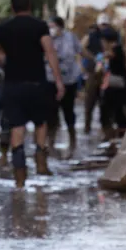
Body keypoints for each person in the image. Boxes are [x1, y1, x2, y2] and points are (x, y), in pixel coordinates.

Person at [0, 0, 64, 187]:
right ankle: (41, 161)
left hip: (13, 85)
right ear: (30, 6)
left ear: (12, 7)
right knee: (41, 123)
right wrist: (58, 81)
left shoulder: (4, 27)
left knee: (17, 127)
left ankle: (19, 176)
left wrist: (4, 63)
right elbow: (50, 52)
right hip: (37, 84)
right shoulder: (39, 26)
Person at [46, 16, 83, 156]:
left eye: (53, 26)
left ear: (60, 26)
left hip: (69, 80)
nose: (51, 29)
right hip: (50, 79)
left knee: (69, 111)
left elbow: (80, 50)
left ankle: (73, 142)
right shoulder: (46, 39)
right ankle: (51, 143)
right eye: (49, 26)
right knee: (51, 112)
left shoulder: (70, 38)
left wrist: (94, 60)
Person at [81, 14, 115, 135]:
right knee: (89, 101)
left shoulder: (111, 36)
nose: (104, 27)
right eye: (102, 25)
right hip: (93, 72)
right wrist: (93, 58)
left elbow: (112, 51)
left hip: (105, 73)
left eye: (106, 25)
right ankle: (87, 127)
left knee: (105, 102)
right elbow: (81, 48)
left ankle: (106, 127)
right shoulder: (91, 36)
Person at [99, 27, 126, 135]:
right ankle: (120, 130)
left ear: (107, 40)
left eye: (103, 41)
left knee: (116, 107)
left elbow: (105, 60)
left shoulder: (115, 49)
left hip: (118, 83)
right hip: (119, 82)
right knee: (120, 107)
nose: (102, 44)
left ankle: (114, 131)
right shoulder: (118, 49)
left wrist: (101, 59)